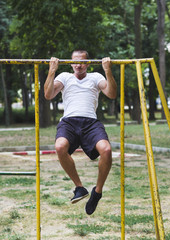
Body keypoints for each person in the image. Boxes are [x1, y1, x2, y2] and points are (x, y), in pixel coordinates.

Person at [44, 50, 117, 215]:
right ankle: (79, 187)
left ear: (88, 63)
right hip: (69, 122)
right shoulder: (64, 76)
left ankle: (97, 192)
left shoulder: (96, 77)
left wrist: (107, 71)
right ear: (70, 63)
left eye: (82, 62)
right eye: (75, 62)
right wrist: (51, 71)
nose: (78, 65)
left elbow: (112, 94)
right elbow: (48, 95)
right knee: (60, 146)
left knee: (106, 150)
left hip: (90, 122)